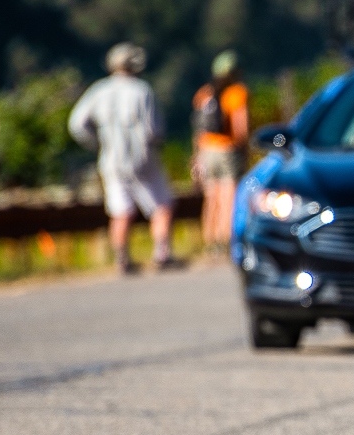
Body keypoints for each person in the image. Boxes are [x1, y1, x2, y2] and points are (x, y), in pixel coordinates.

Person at [69, 43, 179, 273]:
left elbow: (77, 124)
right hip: (143, 159)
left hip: (112, 160)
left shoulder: (99, 90)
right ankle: (162, 253)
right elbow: (155, 130)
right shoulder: (141, 90)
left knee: (120, 210)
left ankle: (121, 258)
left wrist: (98, 143)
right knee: (161, 205)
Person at [191, 51, 250, 255]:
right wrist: (244, 149)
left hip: (206, 150)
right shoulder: (237, 92)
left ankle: (210, 240)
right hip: (227, 149)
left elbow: (198, 128)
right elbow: (241, 127)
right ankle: (226, 240)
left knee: (211, 197)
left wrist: (197, 155)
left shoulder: (204, 93)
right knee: (228, 196)